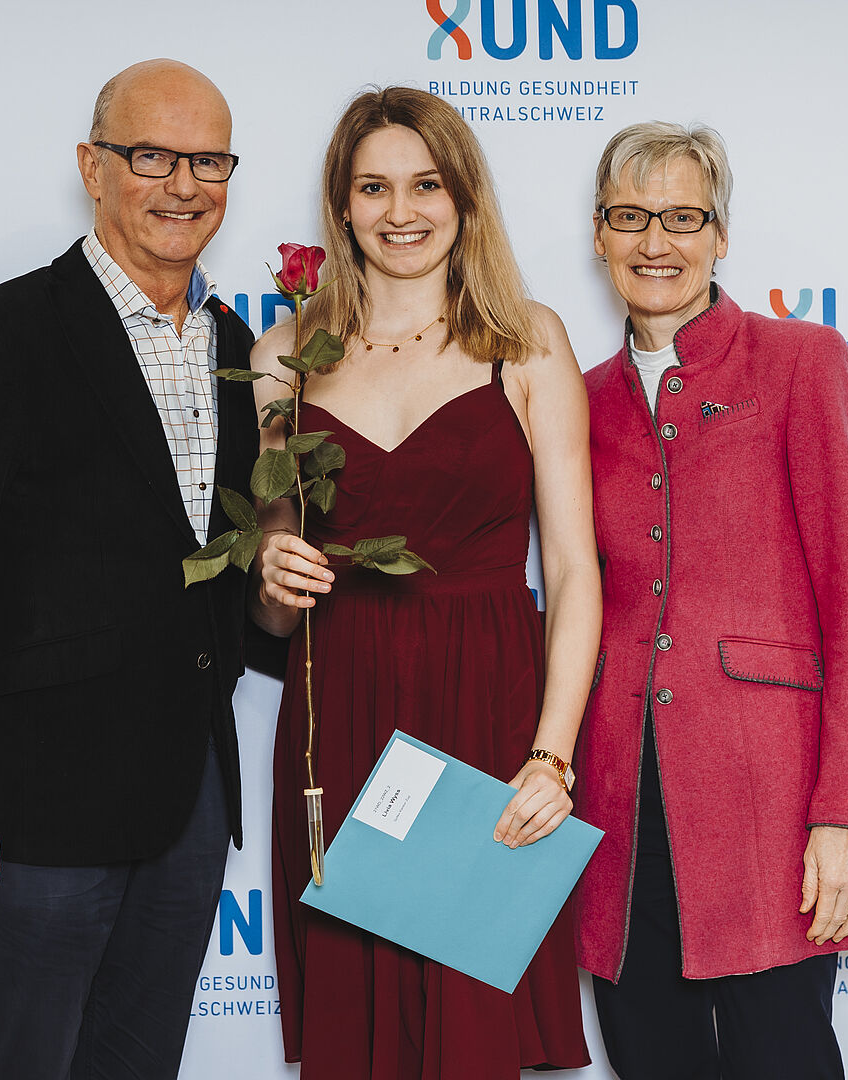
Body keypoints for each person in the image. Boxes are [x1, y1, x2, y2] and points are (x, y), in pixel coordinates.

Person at [0, 59, 260, 1080]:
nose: (183, 185)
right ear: (93, 167)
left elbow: (212, 578)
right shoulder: (2, 336)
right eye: (152, 157)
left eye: (209, 161)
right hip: (31, 816)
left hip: (185, 810)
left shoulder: (236, 347)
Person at [250, 86, 600, 1078]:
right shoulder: (284, 356)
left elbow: (572, 568)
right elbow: (272, 616)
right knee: (356, 1026)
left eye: (426, 185)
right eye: (373, 187)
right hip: (339, 710)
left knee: (470, 1026)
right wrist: (272, 574)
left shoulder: (526, 340)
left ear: (464, 197)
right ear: (341, 203)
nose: (400, 211)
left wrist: (553, 755)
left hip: (485, 712)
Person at [573, 121, 848, 1080]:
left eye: (683, 217)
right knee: (649, 1061)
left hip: (769, 800)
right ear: (599, 234)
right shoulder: (576, 398)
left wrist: (845, 814)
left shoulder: (801, 361)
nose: (655, 242)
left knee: (785, 1060)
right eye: (630, 218)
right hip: (618, 809)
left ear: (721, 235)